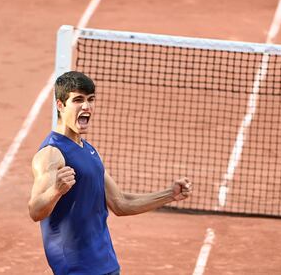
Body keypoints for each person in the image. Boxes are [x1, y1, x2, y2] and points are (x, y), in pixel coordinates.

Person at [28, 71, 192, 275]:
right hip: (76, 269)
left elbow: (121, 203)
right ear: (60, 105)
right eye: (78, 100)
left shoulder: (88, 150)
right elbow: (35, 210)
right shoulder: (52, 154)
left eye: (91, 99)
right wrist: (55, 190)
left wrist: (169, 194)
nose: (86, 106)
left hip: (106, 264)